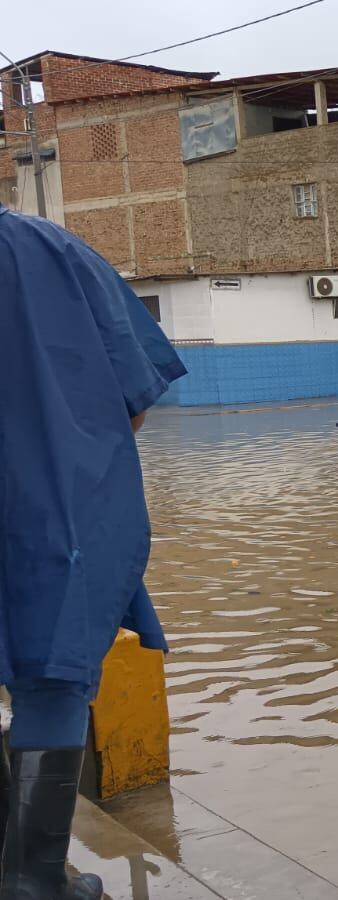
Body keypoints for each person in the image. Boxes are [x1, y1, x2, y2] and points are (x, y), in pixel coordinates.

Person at [2, 206, 187, 898]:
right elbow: (133, 399)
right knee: (50, 676)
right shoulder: (48, 251)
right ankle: (33, 879)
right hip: (48, 510)